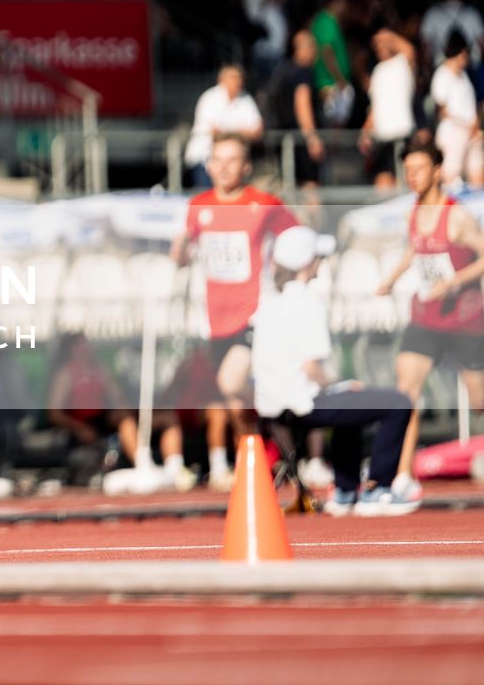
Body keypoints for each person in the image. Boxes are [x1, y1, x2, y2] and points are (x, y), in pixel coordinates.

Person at [255, 226, 419, 516]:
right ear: (309, 263)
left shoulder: (269, 302)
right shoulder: (307, 302)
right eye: (318, 257)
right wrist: (340, 384)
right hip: (301, 403)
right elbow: (312, 369)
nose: (321, 262)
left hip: (272, 405)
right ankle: (377, 489)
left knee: (349, 404)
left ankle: (345, 490)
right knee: (398, 403)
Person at [171, 133, 298, 489]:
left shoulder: (262, 203)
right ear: (208, 165)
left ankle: (278, 454)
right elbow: (181, 256)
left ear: (245, 166)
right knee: (234, 399)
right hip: (215, 319)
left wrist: (288, 281)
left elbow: (299, 241)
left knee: (231, 382)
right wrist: (179, 250)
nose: (223, 168)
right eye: (217, 160)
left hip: (254, 315)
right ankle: (261, 461)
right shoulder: (199, 206)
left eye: (231, 160)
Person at [374, 143, 484, 495]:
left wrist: (454, 281)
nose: (412, 176)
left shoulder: (458, 216)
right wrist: (391, 279)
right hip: (425, 319)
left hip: (465, 321)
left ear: (437, 171)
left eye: (419, 168)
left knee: (479, 399)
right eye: (408, 169)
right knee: (406, 393)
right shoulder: (414, 210)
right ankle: (404, 475)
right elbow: (414, 246)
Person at [46, 333, 138, 469]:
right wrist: (79, 428)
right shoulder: (66, 374)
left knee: (126, 420)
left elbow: (117, 397)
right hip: (78, 424)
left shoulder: (99, 370)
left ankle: (140, 461)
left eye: (87, 343)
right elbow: (53, 413)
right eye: (82, 344)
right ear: (72, 348)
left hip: (100, 420)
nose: (87, 347)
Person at [183, 65, 263, 188]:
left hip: (234, 161)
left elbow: (258, 131)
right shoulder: (210, 98)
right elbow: (216, 133)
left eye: (239, 78)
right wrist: (242, 133)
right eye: (233, 77)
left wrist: (231, 133)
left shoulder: (245, 98)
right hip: (204, 159)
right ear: (222, 80)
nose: (237, 81)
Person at [267, 31, 326, 189]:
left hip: (286, 138)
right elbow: (302, 103)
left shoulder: (284, 70)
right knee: (310, 187)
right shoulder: (302, 72)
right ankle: (312, 215)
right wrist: (312, 137)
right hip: (301, 140)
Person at [360, 28, 417, 187]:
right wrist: (366, 129)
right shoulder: (378, 71)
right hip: (382, 136)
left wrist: (390, 37)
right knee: (382, 184)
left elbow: (410, 50)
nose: (379, 47)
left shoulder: (402, 63)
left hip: (402, 132)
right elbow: (375, 105)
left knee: (404, 181)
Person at [430, 33, 477, 182]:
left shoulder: (464, 76)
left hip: (471, 132)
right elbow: (441, 110)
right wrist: (463, 124)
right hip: (452, 132)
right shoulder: (442, 75)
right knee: (451, 176)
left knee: (476, 170)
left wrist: (473, 125)